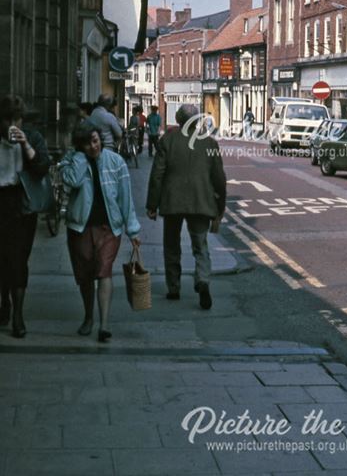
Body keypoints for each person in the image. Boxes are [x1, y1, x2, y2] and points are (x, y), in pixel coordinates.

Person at [59, 120, 141, 343]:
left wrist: (133, 230)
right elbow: (71, 181)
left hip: (109, 228)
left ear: (100, 139)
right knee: (85, 276)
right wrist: (78, 158)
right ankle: (88, 317)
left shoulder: (116, 162)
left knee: (104, 271)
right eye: (86, 144)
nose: (93, 147)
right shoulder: (74, 161)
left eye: (95, 141)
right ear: (80, 146)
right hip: (80, 227)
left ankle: (104, 324)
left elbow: (126, 198)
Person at [146, 104, 227, 309]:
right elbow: (219, 179)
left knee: (171, 244)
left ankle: (174, 287)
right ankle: (203, 280)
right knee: (200, 245)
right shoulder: (209, 142)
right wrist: (220, 208)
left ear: (178, 120)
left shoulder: (168, 141)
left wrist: (152, 204)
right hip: (201, 200)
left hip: (172, 200)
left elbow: (157, 174)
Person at [0, 96, 50, 339]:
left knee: (19, 259)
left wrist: (26, 145)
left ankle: (18, 313)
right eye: (7, 120)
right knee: (2, 259)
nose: (11, 125)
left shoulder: (31, 135)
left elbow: (42, 168)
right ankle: (4, 302)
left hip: (21, 203)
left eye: (15, 119)